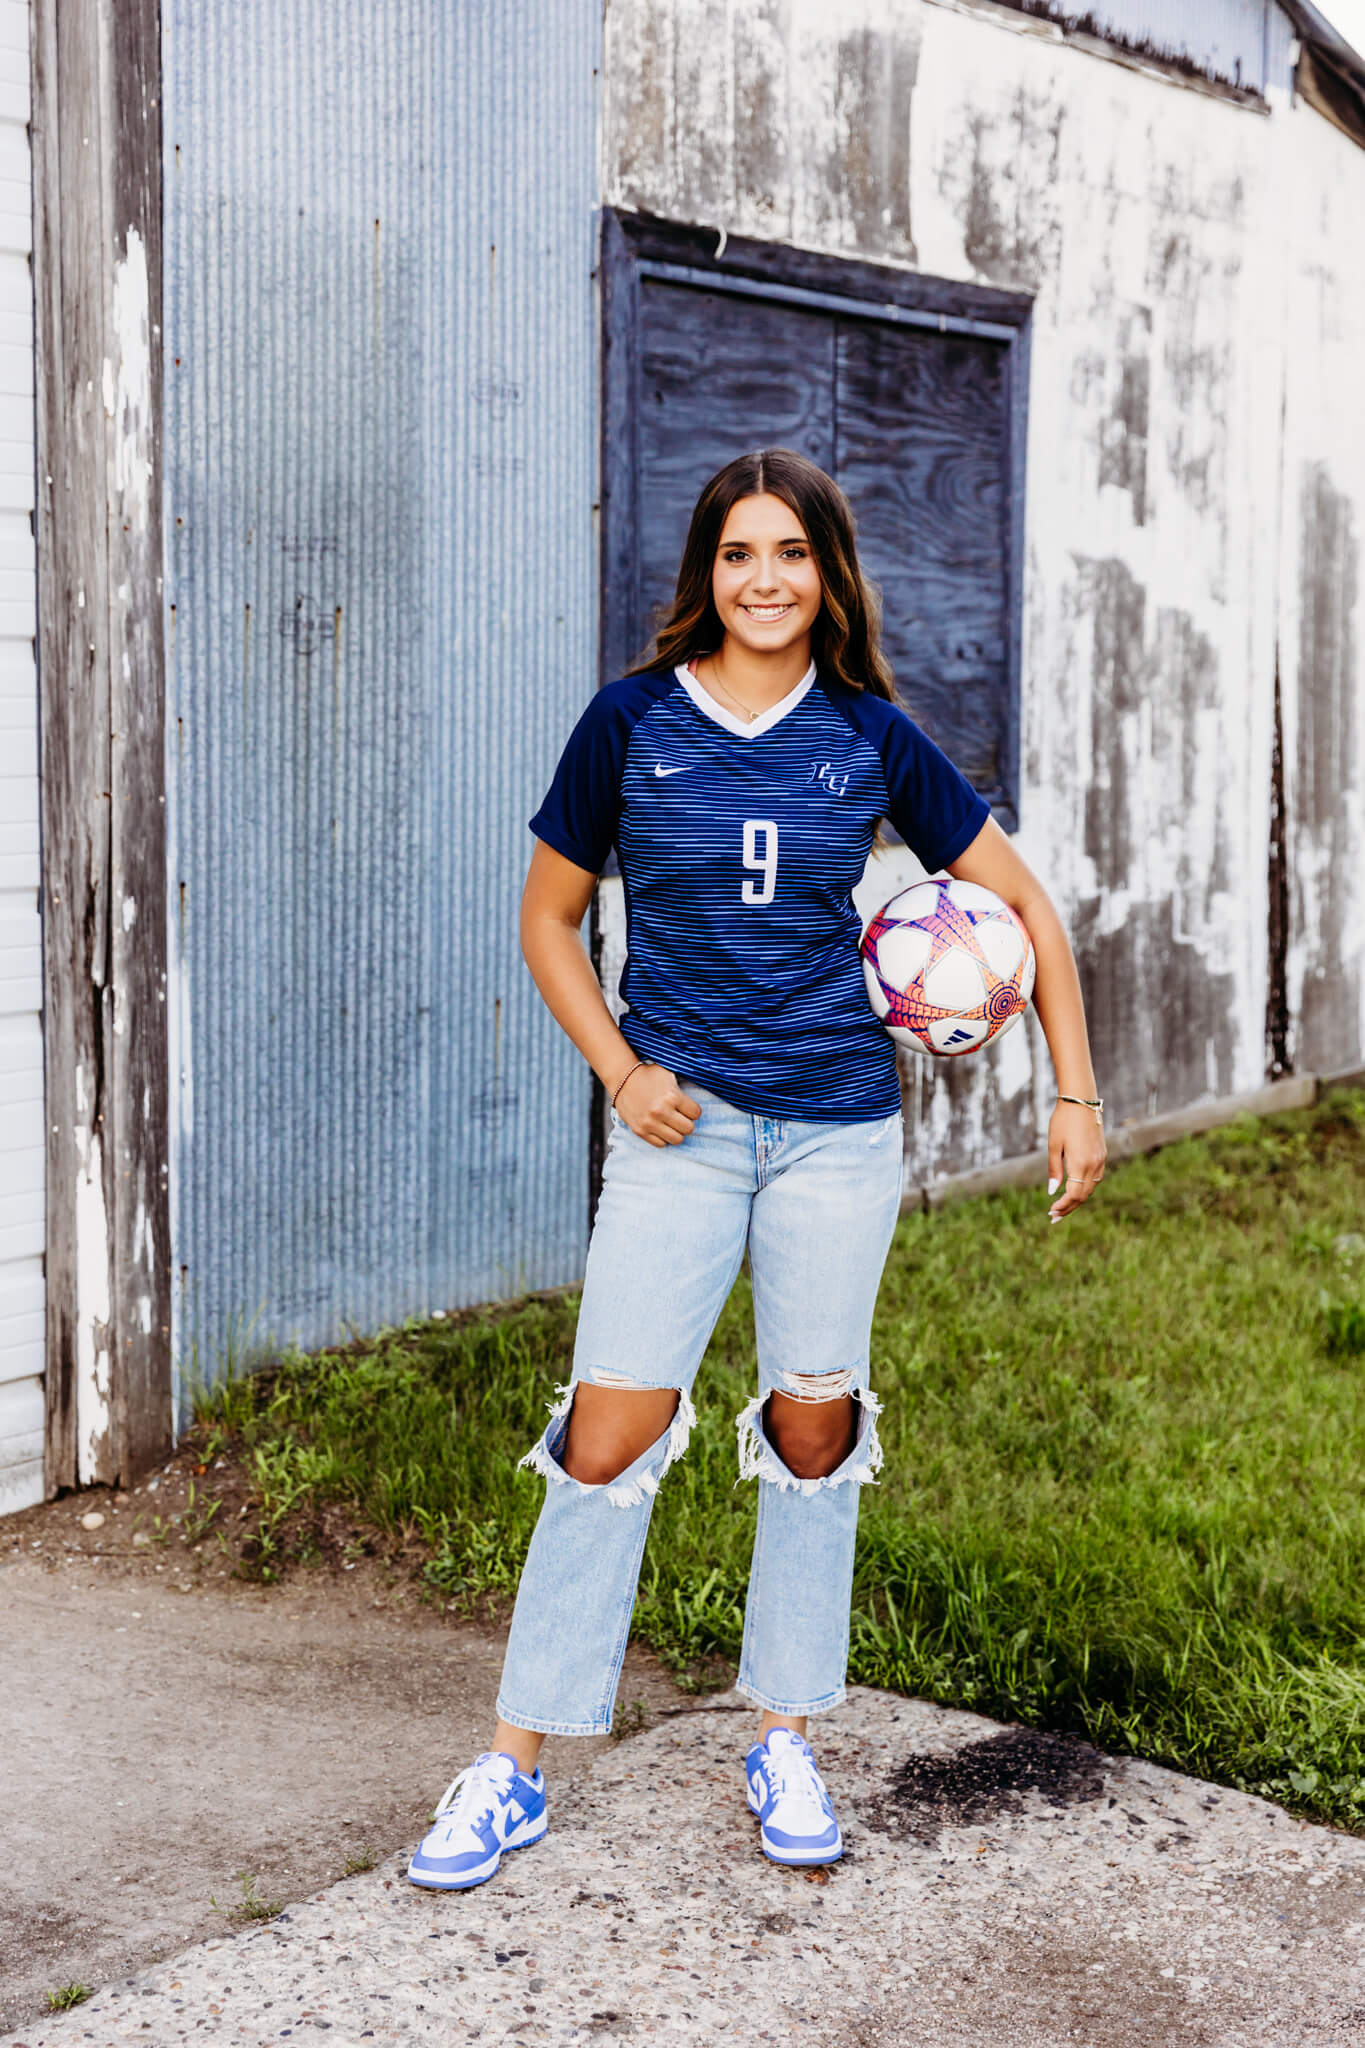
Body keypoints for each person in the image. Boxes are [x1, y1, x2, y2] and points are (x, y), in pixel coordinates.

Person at [407, 447, 1107, 1891]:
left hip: (837, 1132)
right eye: (738, 555)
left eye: (789, 553)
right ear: (705, 577)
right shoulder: (627, 725)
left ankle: (781, 1735)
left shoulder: (866, 735)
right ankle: (514, 1760)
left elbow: (1021, 905)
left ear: (825, 573)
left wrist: (1075, 1092)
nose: (765, 578)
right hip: (679, 1135)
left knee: (811, 1429)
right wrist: (619, 1068)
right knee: (606, 1433)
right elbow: (547, 920)